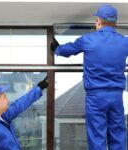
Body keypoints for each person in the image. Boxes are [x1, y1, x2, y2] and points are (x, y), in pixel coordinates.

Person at [51, 4, 127, 150]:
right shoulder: (125, 42)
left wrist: (56, 48)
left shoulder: (88, 40)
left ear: (98, 21)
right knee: (118, 136)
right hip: (116, 97)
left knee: (96, 138)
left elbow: (67, 51)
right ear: (115, 23)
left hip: (96, 97)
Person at [0, 76, 48, 150]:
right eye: (5, 97)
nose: (7, 100)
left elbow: (19, 104)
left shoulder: (3, 116)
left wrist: (39, 88)